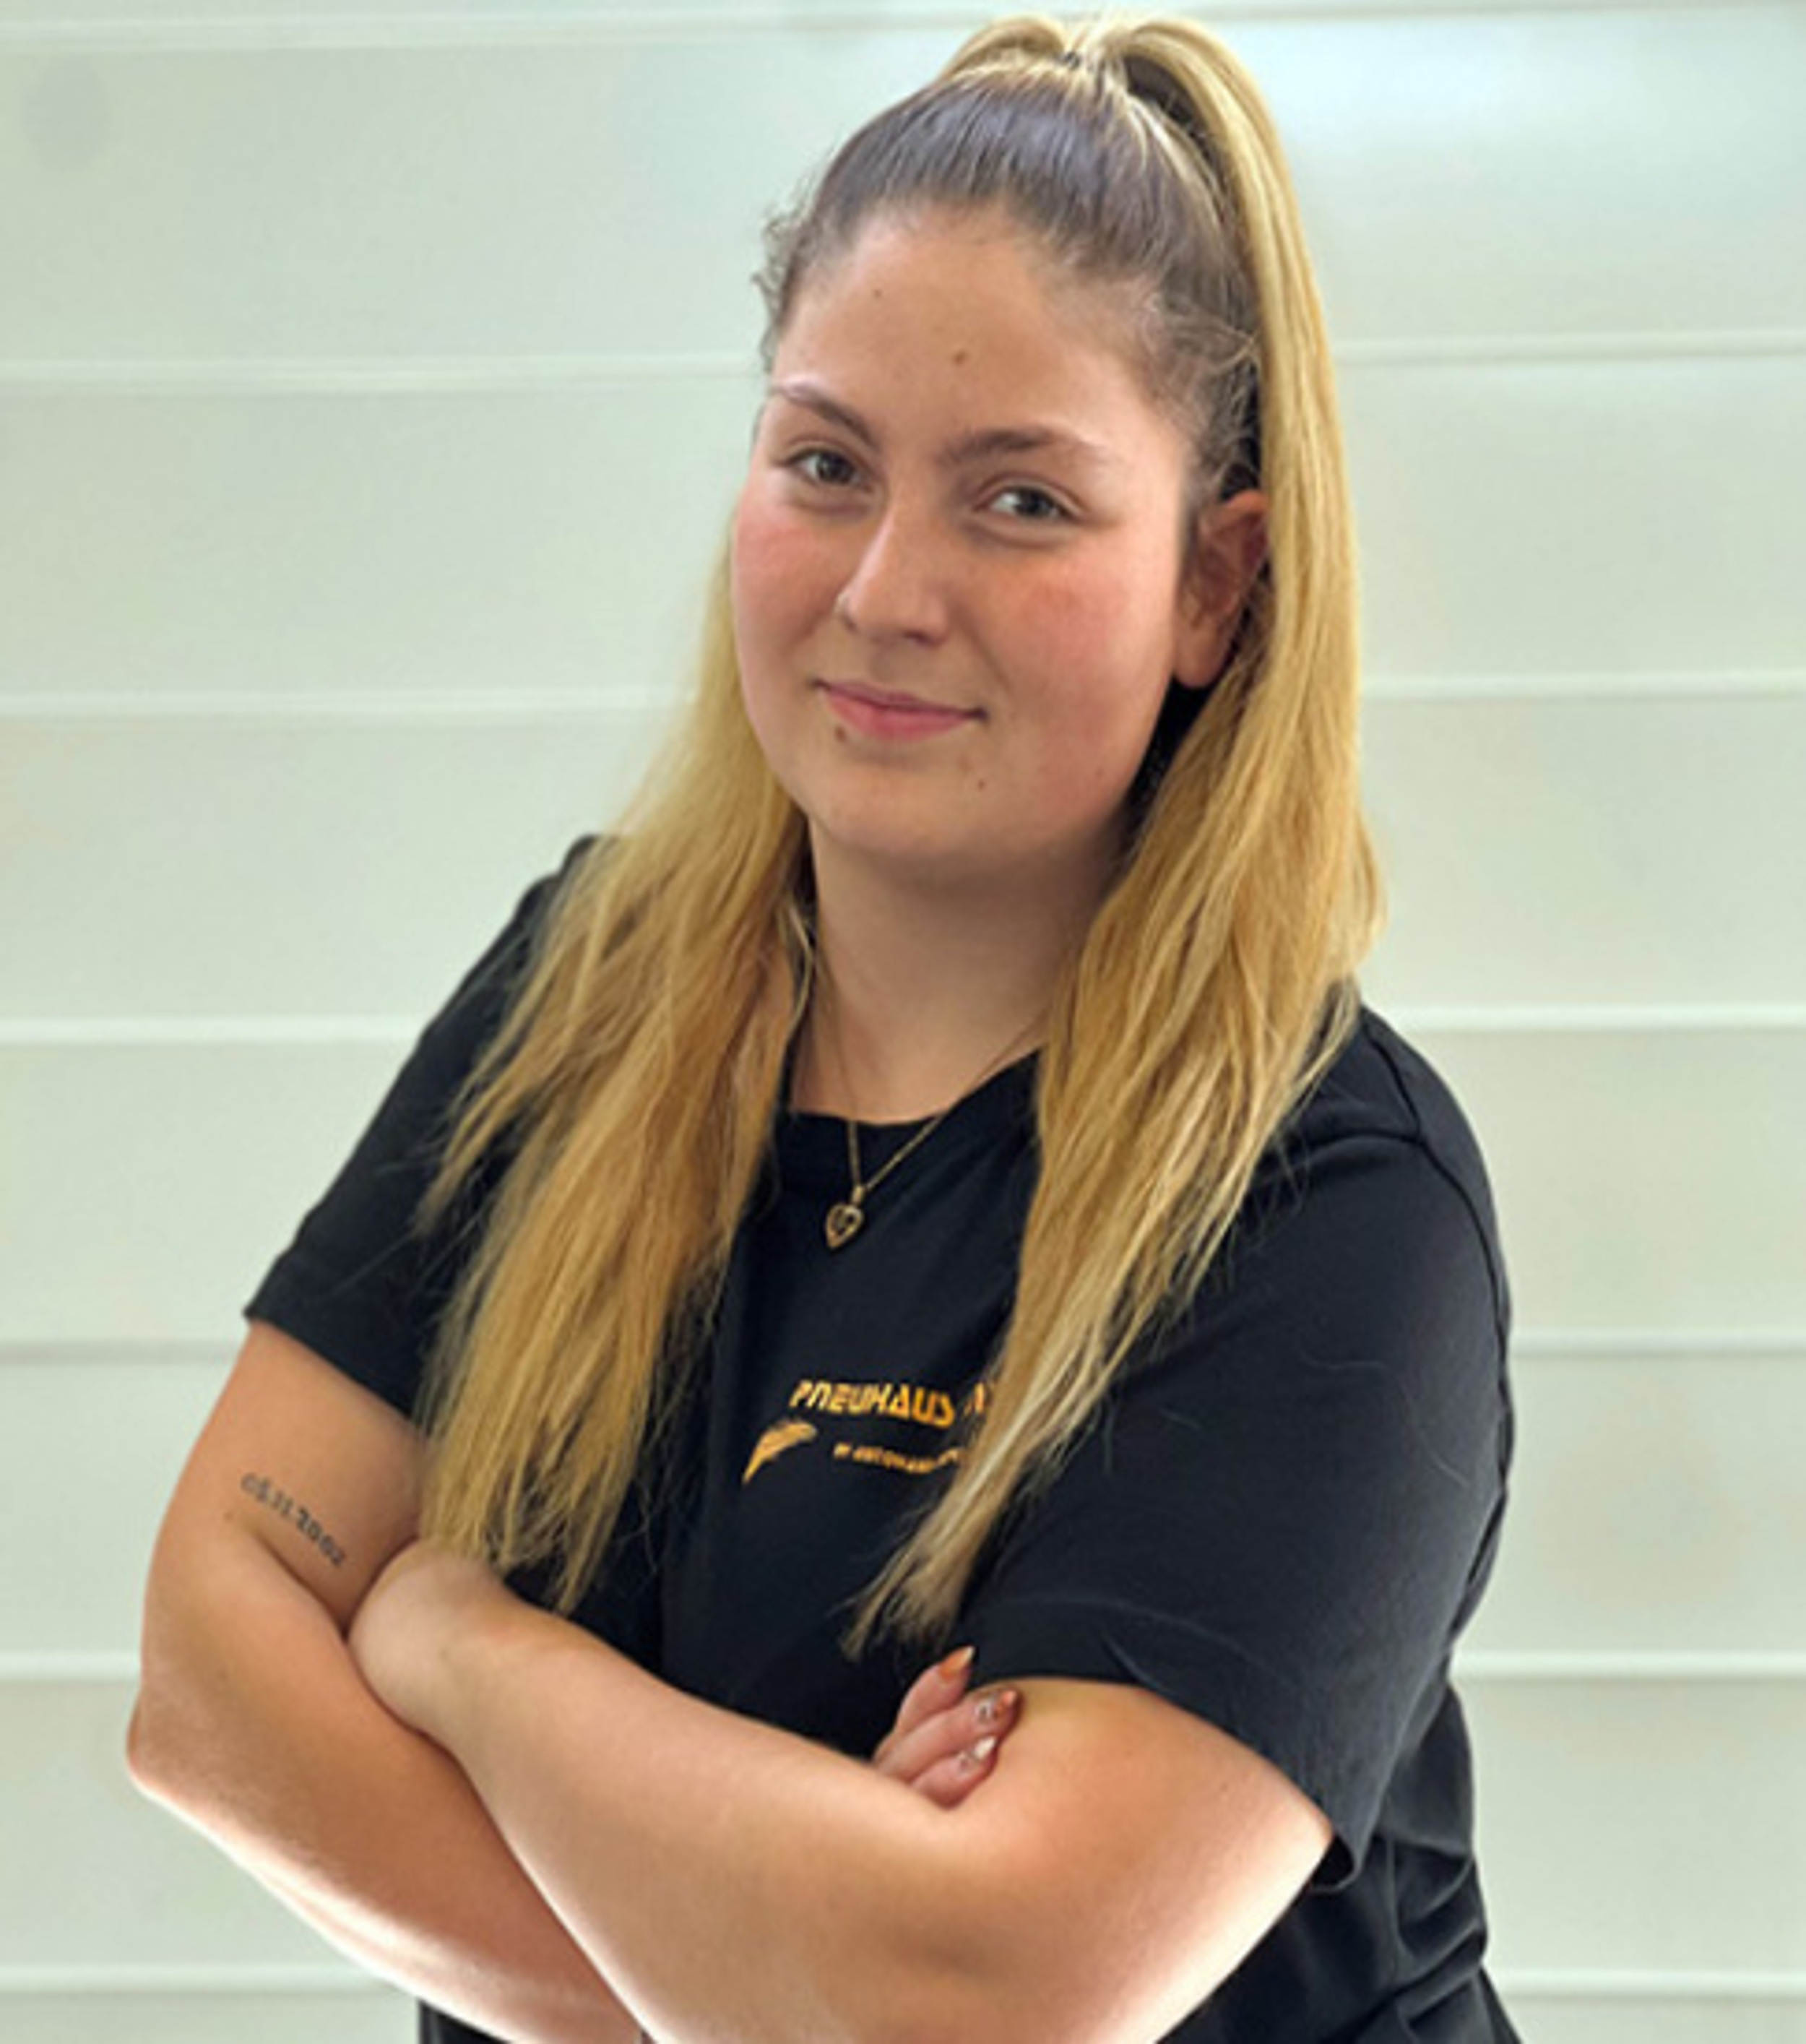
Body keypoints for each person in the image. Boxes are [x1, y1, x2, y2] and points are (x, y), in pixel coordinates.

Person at [129, 14, 1520, 2041]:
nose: (885, 590)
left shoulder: (1327, 1208)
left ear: (1214, 588)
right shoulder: (583, 997)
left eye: (1021, 501)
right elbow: (208, 1680)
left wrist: (461, 1649)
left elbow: (978, 2003)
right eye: (825, 464)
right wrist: (779, 1964)